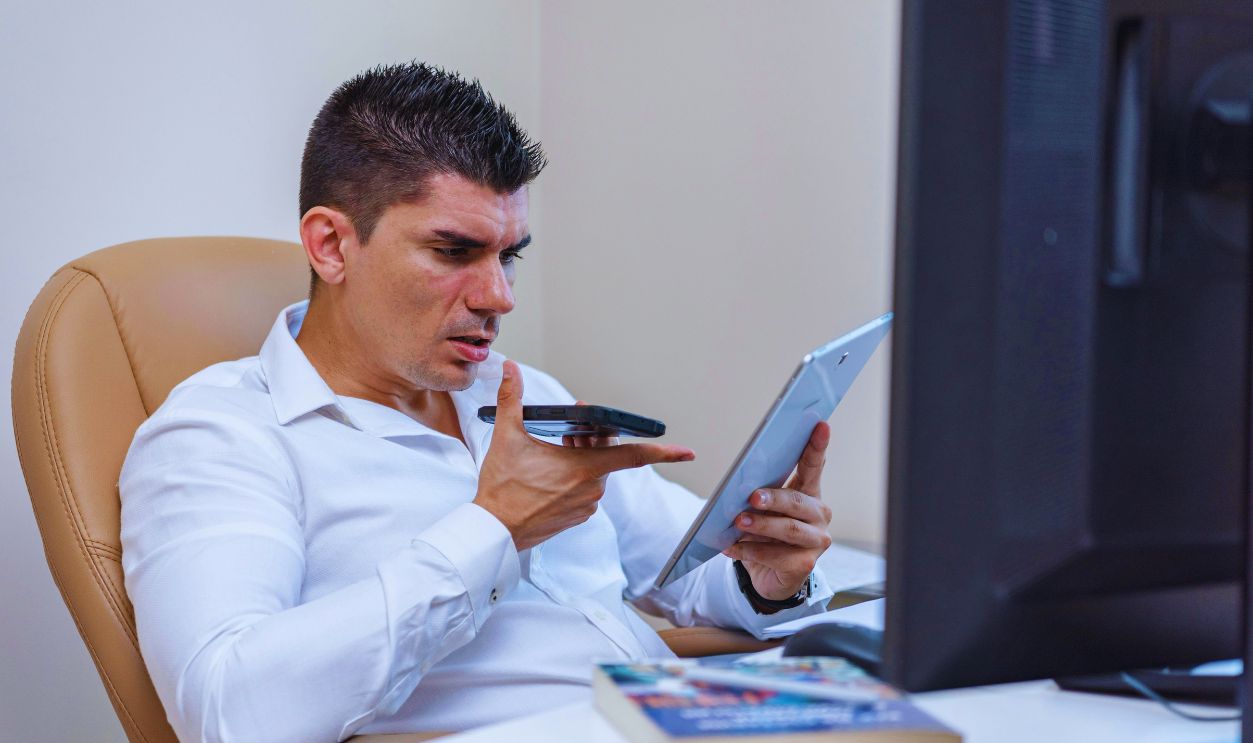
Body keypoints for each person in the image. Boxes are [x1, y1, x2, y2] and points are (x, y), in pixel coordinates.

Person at [120, 62, 836, 743]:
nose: (500, 297)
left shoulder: (521, 395)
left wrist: (765, 576)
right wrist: (493, 529)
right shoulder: (221, 433)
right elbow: (226, 709)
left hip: (675, 710)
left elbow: (677, 571)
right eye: (454, 251)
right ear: (331, 245)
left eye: (509, 255)